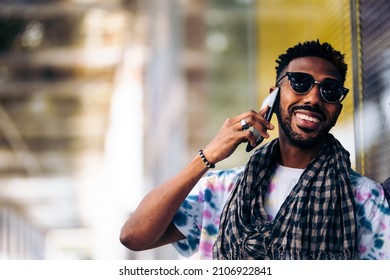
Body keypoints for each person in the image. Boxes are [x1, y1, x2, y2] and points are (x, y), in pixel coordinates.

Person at [120, 40, 390, 260]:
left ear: (337, 108)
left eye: (329, 90)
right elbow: (134, 236)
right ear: (273, 95)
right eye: (299, 82)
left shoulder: (364, 198)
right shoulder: (222, 190)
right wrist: (207, 157)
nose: (313, 97)